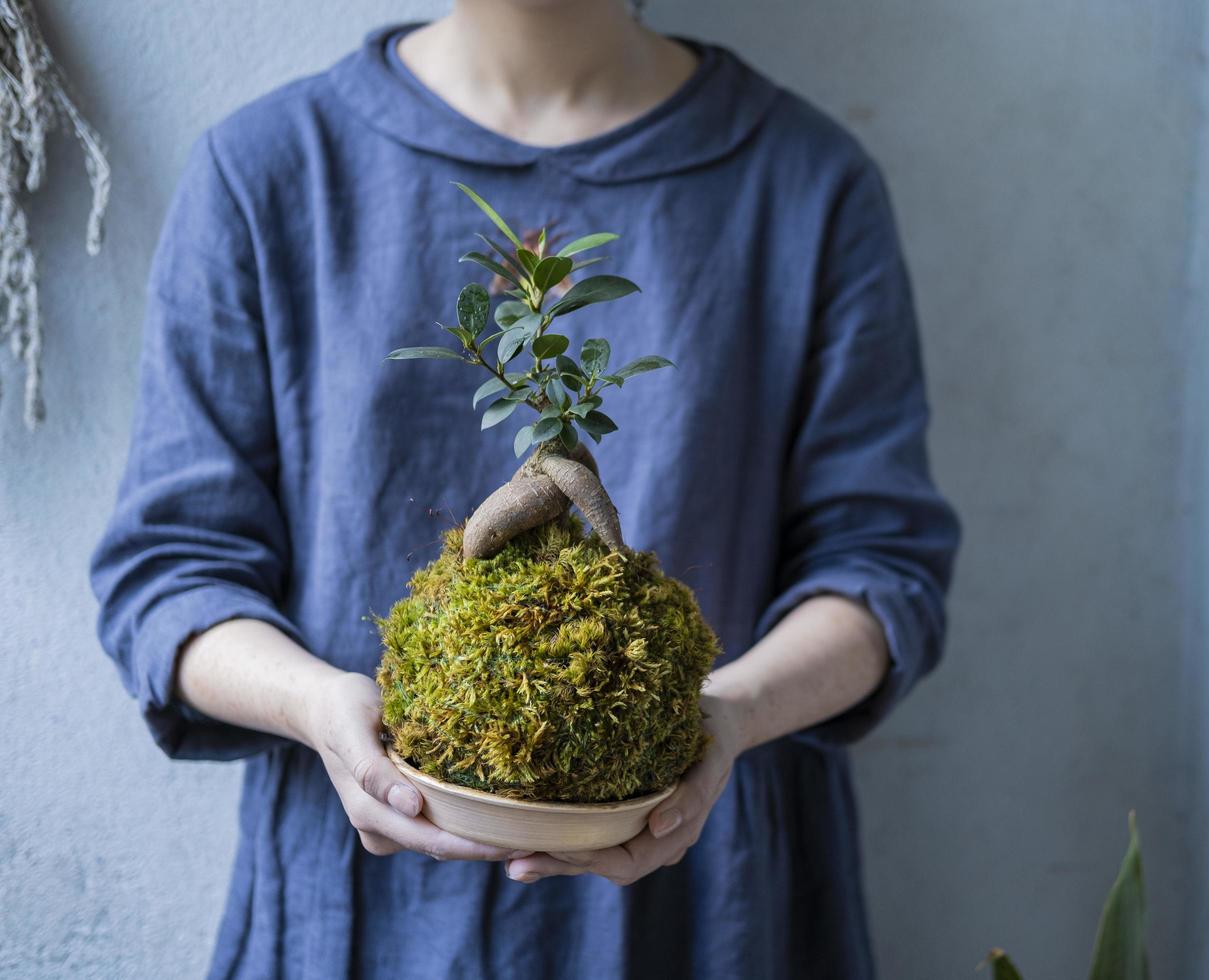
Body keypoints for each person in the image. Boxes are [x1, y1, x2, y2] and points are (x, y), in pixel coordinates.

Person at [89, 2, 960, 977]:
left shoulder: (807, 183)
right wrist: (319, 705)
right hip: (362, 905)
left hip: (708, 909)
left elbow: (881, 563)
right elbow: (171, 572)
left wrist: (727, 713)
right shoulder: (266, 173)